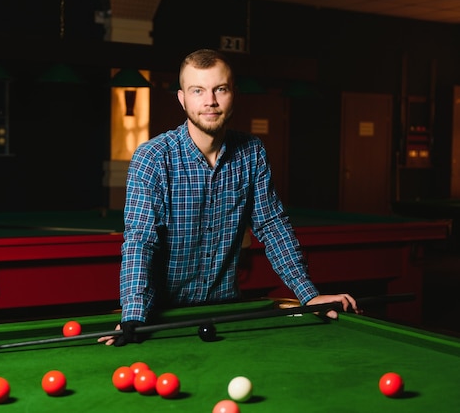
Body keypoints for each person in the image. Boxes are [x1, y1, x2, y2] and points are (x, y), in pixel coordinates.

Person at [98, 48, 359, 346]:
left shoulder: (252, 152)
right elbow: (140, 240)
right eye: (198, 91)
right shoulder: (153, 157)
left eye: (219, 89)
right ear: (182, 99)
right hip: (160, 320)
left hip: (227, 313)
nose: (210, 101)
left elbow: (272, 226)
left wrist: (308, 294)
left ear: (234, 93)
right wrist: (133, 316)